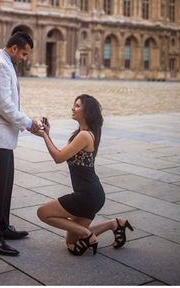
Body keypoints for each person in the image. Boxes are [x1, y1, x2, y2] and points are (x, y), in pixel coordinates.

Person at [35, 94, 134, 256]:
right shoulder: (78, 133)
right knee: (71, 243)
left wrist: (44, 136)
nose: (73, 108)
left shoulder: (84, 135)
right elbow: (60, 153)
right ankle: (115, 224)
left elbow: (58, 158)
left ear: (87, 111)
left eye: (78, 106)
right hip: (93, 195)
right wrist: (48, 133)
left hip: (86, 196)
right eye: (74, 105)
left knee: (43, 213)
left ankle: (88, 235)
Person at [0, 31, 43, 256]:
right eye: (24, 53)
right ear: (13, 48)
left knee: (6, 185)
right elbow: (4, 106)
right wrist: (29, 123)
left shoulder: (4, 62)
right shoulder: (1, 66)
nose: (25, 57)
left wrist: (27, 123)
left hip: (3, 137)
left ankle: (3, 226)